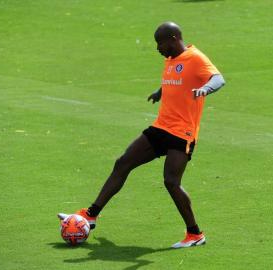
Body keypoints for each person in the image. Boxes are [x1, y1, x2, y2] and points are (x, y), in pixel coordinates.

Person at [58, 21, 225, 248]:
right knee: (123, 162)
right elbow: (176, 82)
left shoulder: (195, 58)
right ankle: (91, 214)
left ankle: (195, 234)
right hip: (161, 127)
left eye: (160, 43)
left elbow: (218, 78)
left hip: (182, 133)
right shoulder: (170, 60)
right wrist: (160, 92)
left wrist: (205, 88)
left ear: (174, 39)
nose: (158, 48)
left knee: (171, 182)